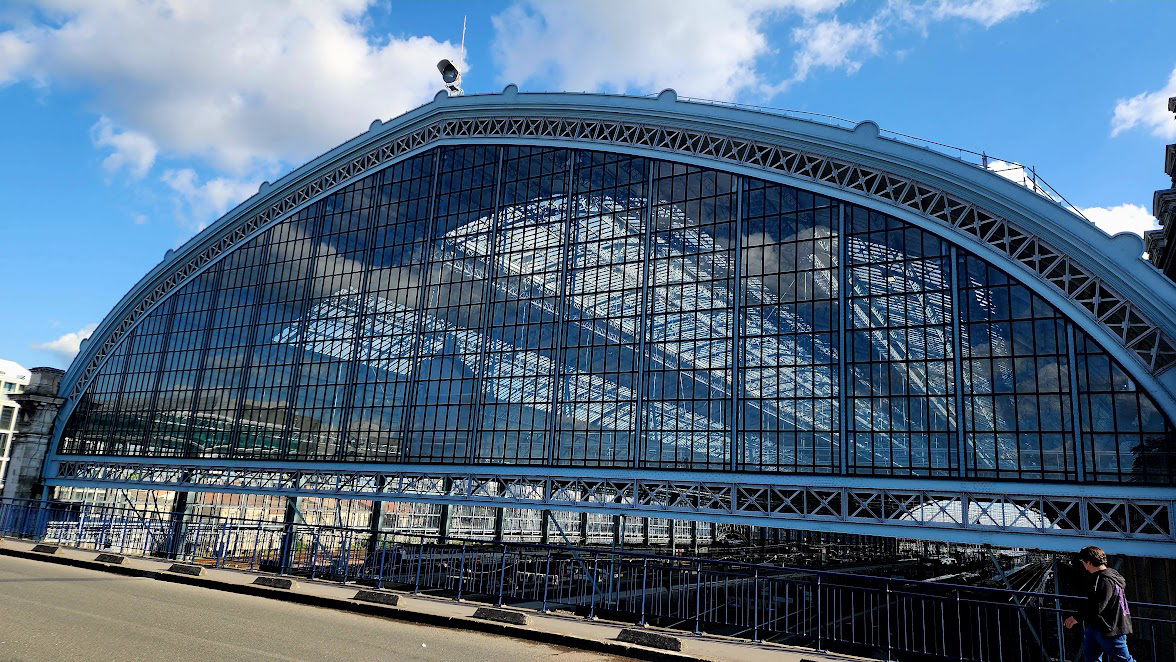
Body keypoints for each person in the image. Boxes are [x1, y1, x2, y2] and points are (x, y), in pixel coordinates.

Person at [1063, 546, 1135, 662]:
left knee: (1124, 660)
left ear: (1089, 562)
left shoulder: (1103, 580)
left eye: (1083, 561)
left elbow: (1098, 606)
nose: (1082, 564)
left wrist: (1076, 617)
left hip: (1109, 628)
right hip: (1099, 626)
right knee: (1092, 657)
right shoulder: (1111, 574)